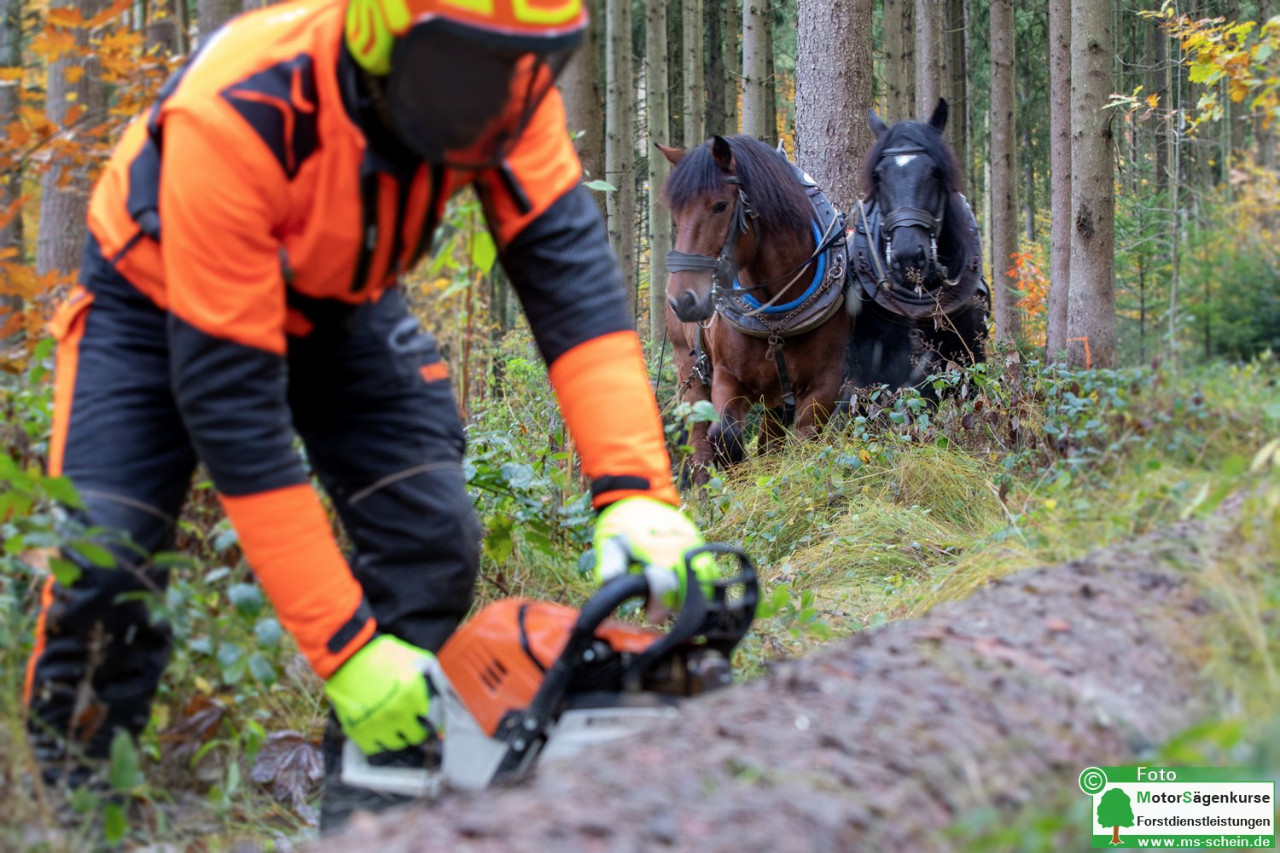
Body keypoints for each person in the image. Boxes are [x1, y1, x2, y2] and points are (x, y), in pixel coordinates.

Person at [25, 0, 711, 829]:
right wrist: (342, 647)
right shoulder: (242, 112)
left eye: (525, 69)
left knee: (429, 533)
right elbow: (236, 416)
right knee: (106, 557)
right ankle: (74, 810)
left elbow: (571, 284)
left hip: (335, 300)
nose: (496, 99)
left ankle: (371, 815)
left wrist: (634, 487)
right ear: (380, 37)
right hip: (151, 303)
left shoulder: (506, 86)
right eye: (469, 72)